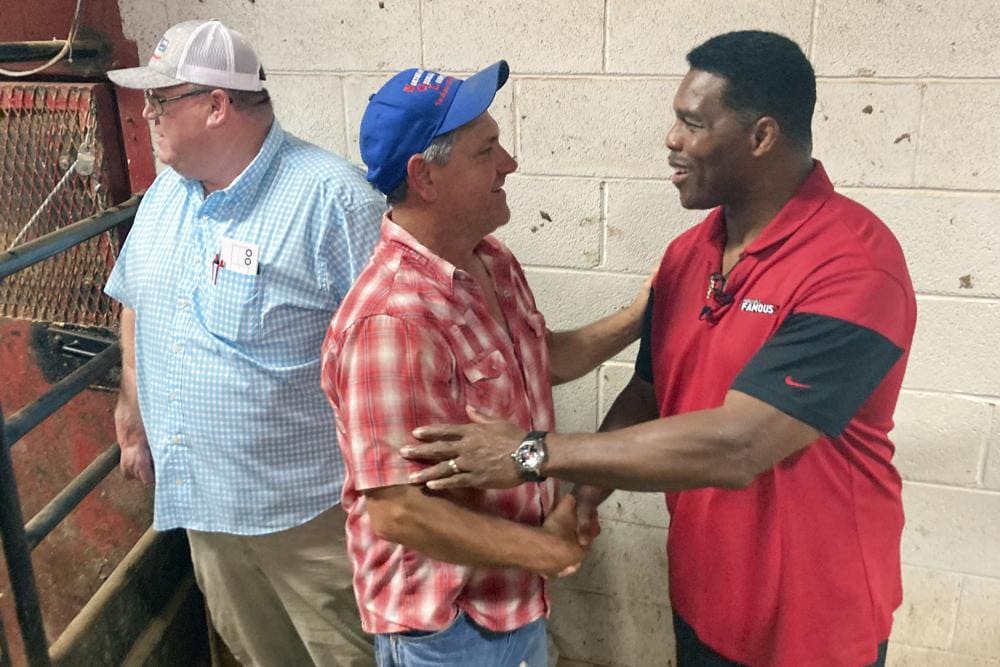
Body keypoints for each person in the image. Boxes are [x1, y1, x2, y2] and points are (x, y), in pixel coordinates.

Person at [401, 31, 916, 667]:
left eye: (691, 123)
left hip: (814, 616)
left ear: (760, 137)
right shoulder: (688, 255)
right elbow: (649, 392)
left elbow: (741, 444)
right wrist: (583, 497)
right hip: (705, 591)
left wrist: (533, 454)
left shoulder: (853, 266)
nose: (671, 140)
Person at [320, 61, 650, 667]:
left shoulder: (490, 260)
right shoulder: (392, 320)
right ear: (425, 177)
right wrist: (546, 550)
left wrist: (637, 315)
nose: (510, 164)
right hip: (448, 630)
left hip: (511, 601)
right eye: (486, 151)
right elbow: (398, 511)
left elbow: (539, 361)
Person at [105, 20, 383, 666]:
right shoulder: (163, 199)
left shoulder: (333, 201)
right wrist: (131, 402)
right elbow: (136, 298)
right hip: (205, 509)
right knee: (260, 654)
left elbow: (394, 356)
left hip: (311, 523)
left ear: (216, 105)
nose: (146, 115)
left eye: (159, 100)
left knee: (348, 655)